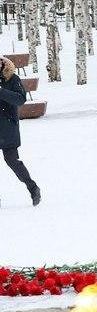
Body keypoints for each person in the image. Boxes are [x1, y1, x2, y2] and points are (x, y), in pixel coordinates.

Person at [0, 55, 40, 207]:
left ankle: (33, 188)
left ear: (3, 63)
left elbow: (20, 99)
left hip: (7, 128)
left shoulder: (12, 79)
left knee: (12, 161)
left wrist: (1, 91)